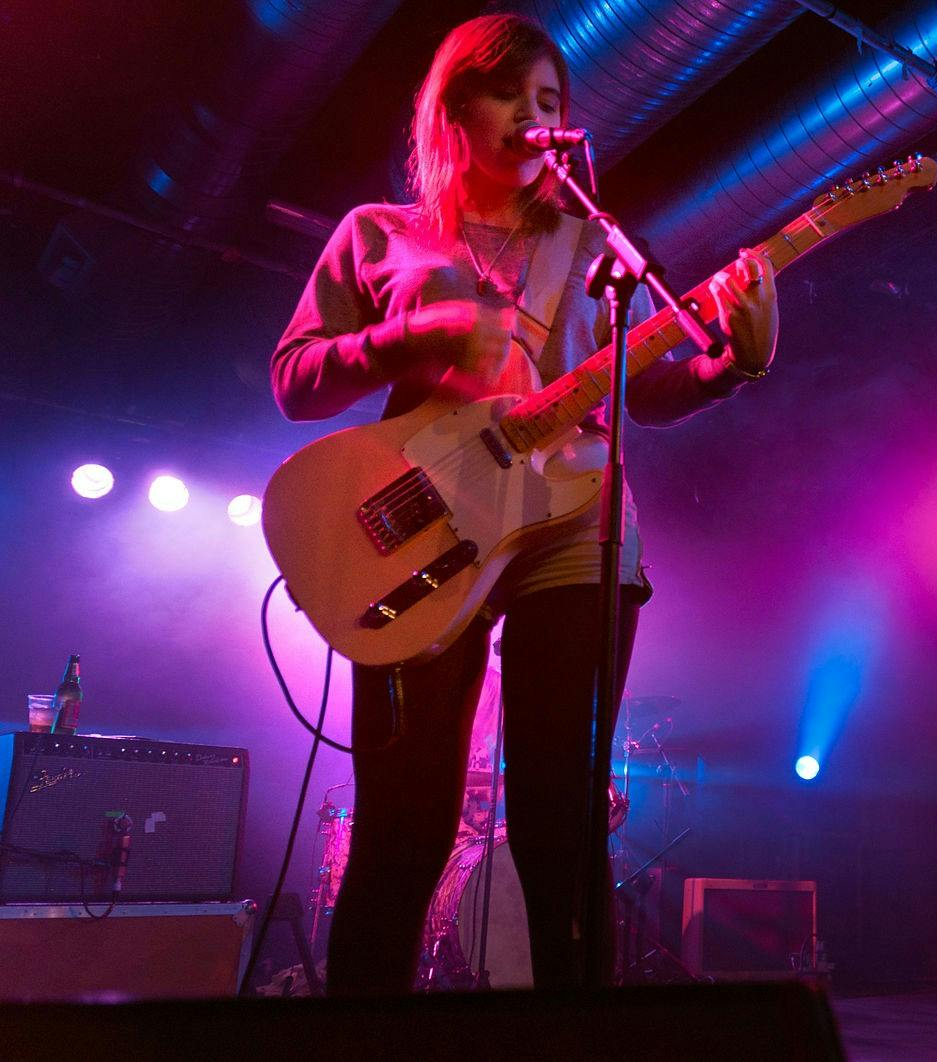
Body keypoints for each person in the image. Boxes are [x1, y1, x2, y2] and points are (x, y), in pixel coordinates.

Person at [270, 13, 777, 995]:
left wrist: (728, 368)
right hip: (423, 522)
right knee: (403, 820)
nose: (533, 116)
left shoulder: (598, 246)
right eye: (510, 94)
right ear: (455, 110)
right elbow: (296, 378)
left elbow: (642, 391)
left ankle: (574, 1039)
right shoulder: (380, 233)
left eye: (550, 100)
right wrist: (415, 336)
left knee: (563, 813)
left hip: (573, 529)